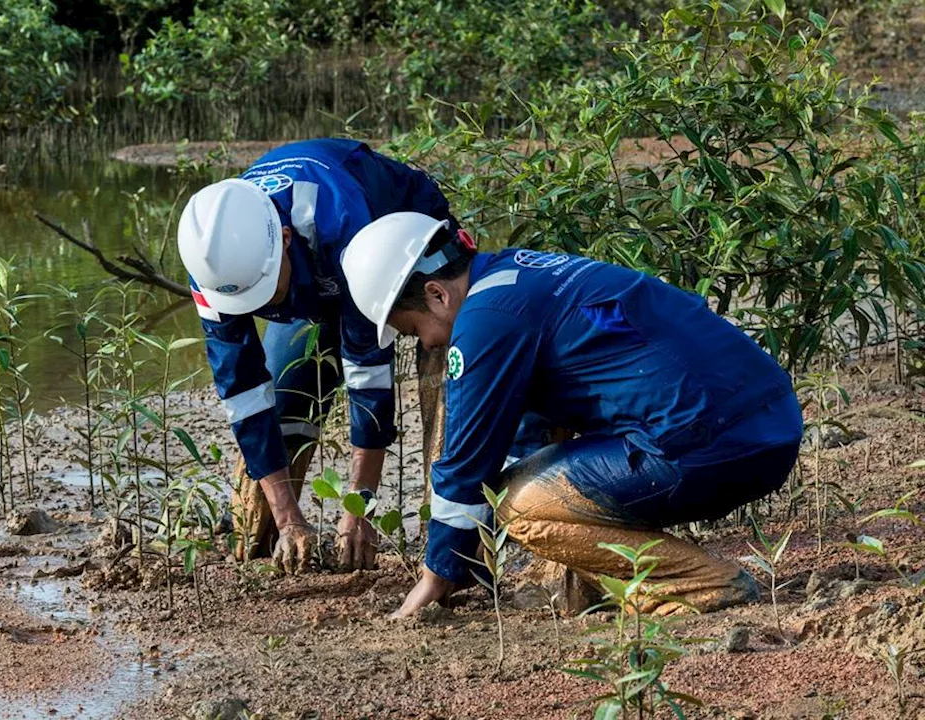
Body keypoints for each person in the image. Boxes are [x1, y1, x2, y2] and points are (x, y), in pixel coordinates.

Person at [340, 212, 804, 616]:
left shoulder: (485, 320)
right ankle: (601, 583)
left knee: (518, 505)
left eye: (413, 329)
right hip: (771, 421)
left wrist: (438, 574)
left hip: (717, 442)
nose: (427, 345)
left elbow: (465, 465)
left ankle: (702, 582)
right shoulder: (520, 273)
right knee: (538, 482)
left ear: (438, 294)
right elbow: (527, 430)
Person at [177, 139, 456, 573]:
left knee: (447, 378)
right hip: (316, 276)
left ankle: (449, 547)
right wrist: (288, 517)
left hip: (402, 242)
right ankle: (272, 540)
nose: (260, 306)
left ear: (285, 240)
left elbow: (368, 370)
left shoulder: (338, 219)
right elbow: (242, 390)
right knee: (284, 413)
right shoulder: (215, 267)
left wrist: (359, 507)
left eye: (265, 291)